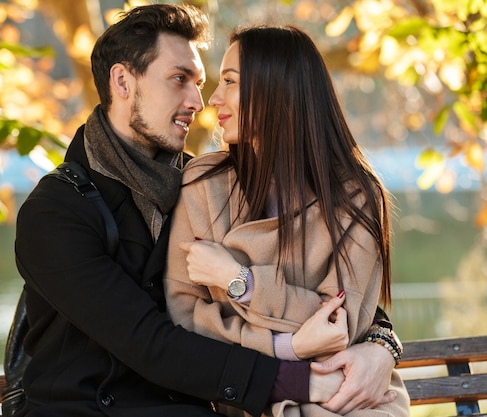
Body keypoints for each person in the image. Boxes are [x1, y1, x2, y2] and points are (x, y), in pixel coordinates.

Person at [14, 5, 399, 417]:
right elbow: (151, 340)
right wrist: (298, 374)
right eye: (180, 79)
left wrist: (382, 345)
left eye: (201, 82)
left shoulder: (195, 180)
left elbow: (342, 298)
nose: (200, 101)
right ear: (123, 81)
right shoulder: (56, 211)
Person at [164, 25, 410, 417]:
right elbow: (186, 320)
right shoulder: (204, 184)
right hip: (250, 394)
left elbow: (336, 327)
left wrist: (240, 283)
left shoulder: (356, 195)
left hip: (349, 392)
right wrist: (286, 347)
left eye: (230, 81)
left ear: (278, 90)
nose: (214, 98)